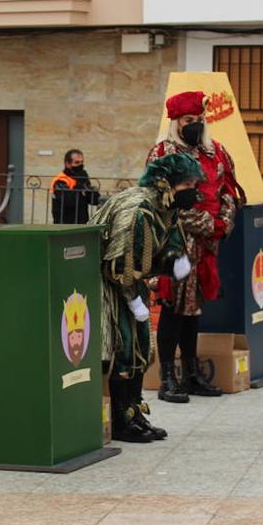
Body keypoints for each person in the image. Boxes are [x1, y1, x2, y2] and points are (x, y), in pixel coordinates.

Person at [90, 153, 201, 443]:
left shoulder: (166, 207)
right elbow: (119, 262)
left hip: (133, 285)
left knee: (141, 348)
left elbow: (168, 244)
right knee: (123, 349)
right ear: (167, 183)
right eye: (188, 183)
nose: (193, 189)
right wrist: (133, 300)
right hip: (110, 286)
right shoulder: (138, 209)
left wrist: (176, 259)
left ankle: (134, 412)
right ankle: (119, 420)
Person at [148, 90, 244, 403]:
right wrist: (204, 223)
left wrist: (222, 223)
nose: (195, 125)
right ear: (176, 122)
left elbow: (230, 192)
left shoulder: (216, 151)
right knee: (173, 309)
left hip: (207, 247)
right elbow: (159, 200)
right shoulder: (162, 153)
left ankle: (191, 374)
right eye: (189, 120)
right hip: (175, 244)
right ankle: (167, 379)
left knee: (194, 310)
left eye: (199, 120)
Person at [50, 149, 102, 225]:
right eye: (77, 162)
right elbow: (70, 201)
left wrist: (89, 191)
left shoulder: (82, 177)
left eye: (82, 162)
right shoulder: (60, 180)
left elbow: (93, 200)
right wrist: (81, 187)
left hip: (82, 222)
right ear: (67, 164)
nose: (80, 165)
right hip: (64, 224)